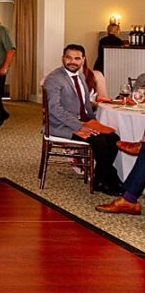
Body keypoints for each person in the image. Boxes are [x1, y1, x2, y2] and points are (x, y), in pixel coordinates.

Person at [43, 44, 124, 195]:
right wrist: (79, 126)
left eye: (77, 58)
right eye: (68, 58)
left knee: (113, 139)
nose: (72, 62)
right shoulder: (54, 79)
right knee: (99, 141)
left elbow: (85, 105)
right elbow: (55, 109)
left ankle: (100, 179)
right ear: (63, 58)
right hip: (62, 125)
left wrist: (95, 123)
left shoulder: (80, 75)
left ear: (83, 60)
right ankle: (110, 179)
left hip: (82, 121)